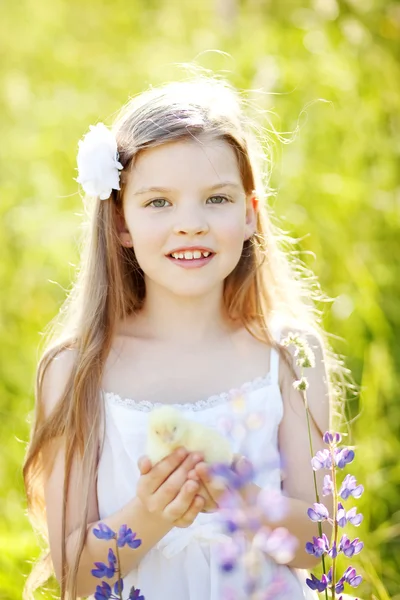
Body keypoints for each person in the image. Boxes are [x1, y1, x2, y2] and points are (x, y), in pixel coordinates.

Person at [23, 73, 349, 600]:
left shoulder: (287, 354)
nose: (190, 224)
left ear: (249, 215)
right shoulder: (79, 368)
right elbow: (75, 574)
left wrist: (243, 499)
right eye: (158, 203)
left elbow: (325, 545)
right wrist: (150, 514)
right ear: (120, 223)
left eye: (216, 200)